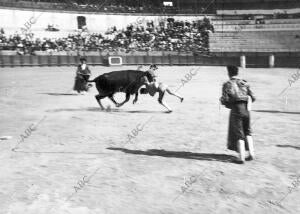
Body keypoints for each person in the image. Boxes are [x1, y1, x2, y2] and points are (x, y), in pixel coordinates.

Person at [220, 65, 256, 164]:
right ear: (237, 72)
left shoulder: (227, 84)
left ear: (228, 73)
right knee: (248, 131)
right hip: (246, 109)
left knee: (239, 133)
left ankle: (241, 157)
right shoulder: (244, 82)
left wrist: (228, 104)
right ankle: (251, 153)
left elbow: (224, 100)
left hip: (236, 110)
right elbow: (253, 97)